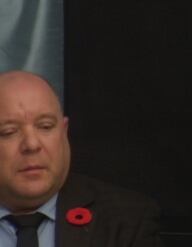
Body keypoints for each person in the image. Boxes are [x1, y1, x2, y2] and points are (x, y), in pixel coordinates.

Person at [0, 70, 164, 247]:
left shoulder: (126, 221)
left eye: (46, 126)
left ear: (64, 132)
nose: (32, 145)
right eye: (8, 132)